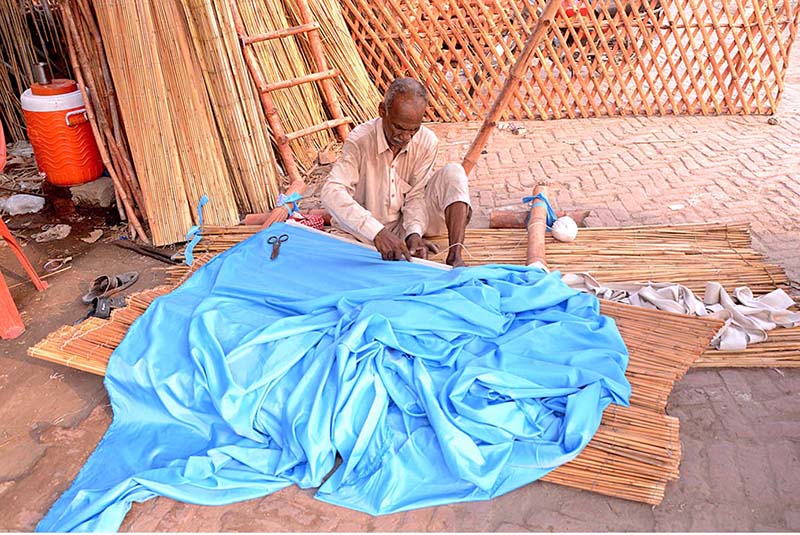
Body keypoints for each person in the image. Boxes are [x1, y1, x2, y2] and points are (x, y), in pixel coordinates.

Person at [321, 78, 471, 267]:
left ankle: (455, 257)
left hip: (402, 227)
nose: (405, 137)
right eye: (399, 127)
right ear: (382, 111)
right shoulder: (360, 140)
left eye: (413, 130)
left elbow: (416, 195)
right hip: (362, 233)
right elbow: (331, 192)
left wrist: (414, 233)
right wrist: (377, 232)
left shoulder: (426, 141)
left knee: (455, 173)